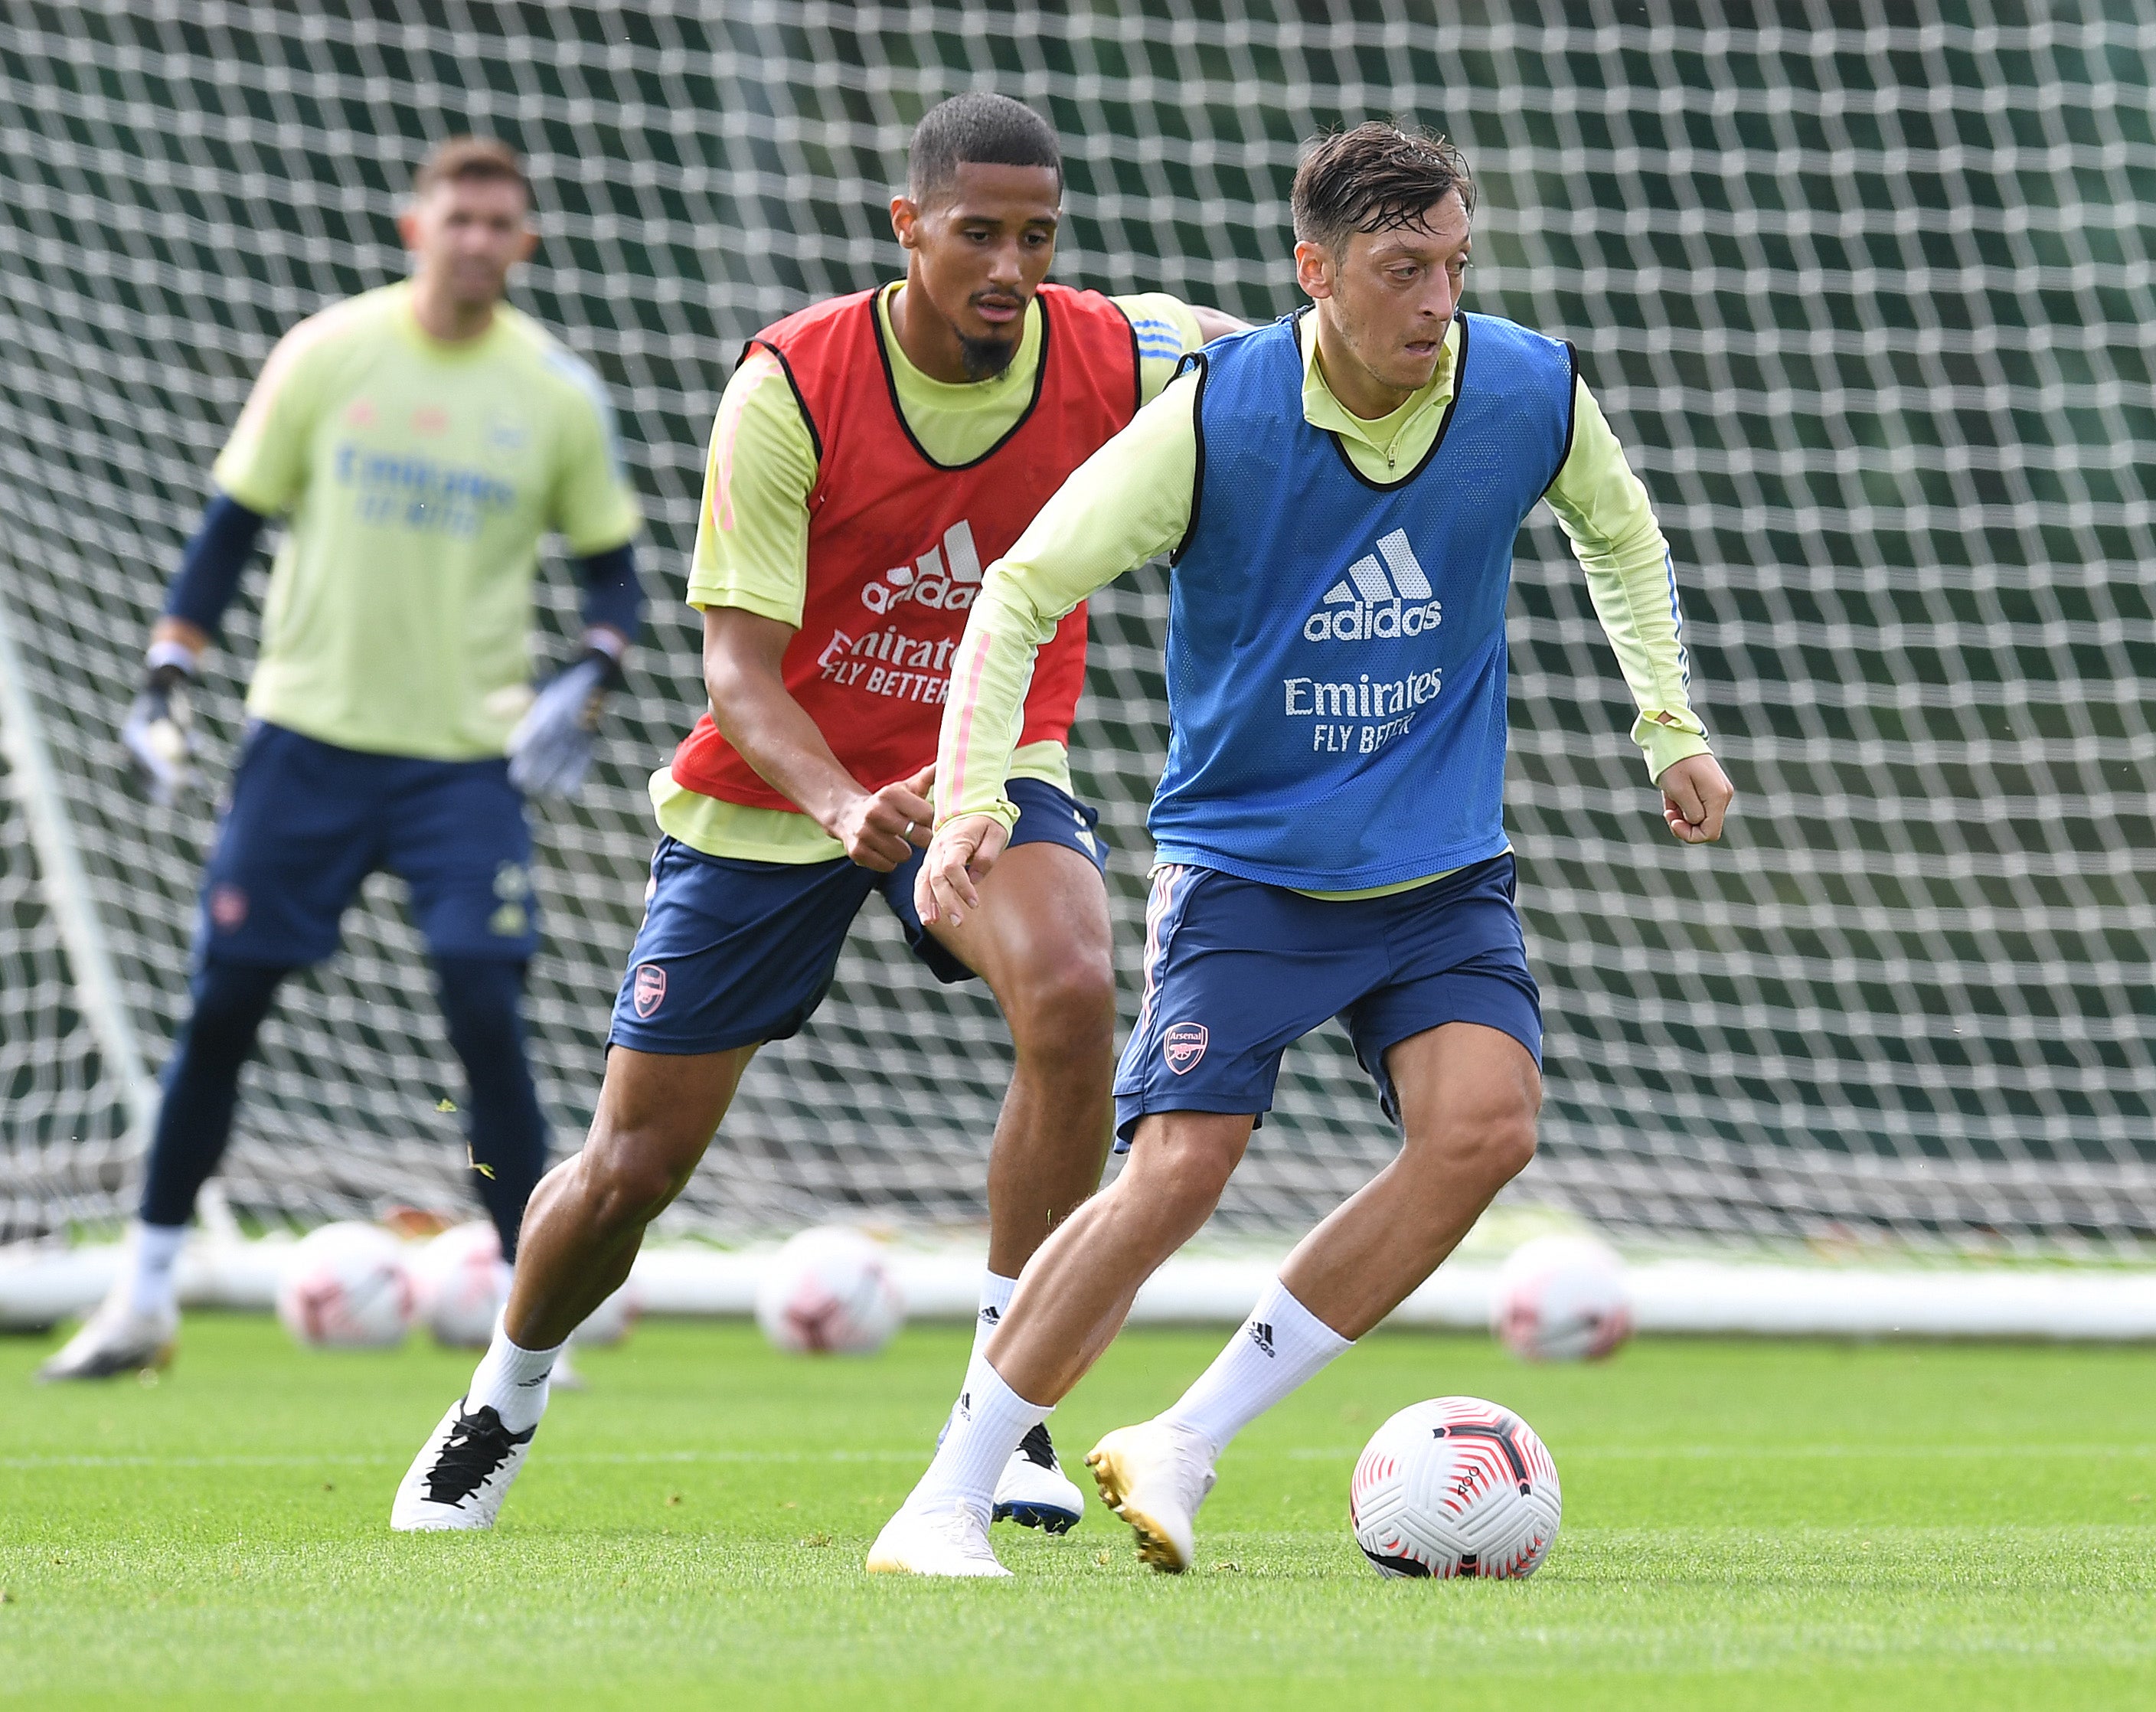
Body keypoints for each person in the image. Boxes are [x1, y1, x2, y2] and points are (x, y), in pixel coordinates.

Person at [867, 121, 1736, 1576]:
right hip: (1250, 872)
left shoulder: (1528, 386)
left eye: (1456, 264)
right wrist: (970, 801)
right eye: (1404, 270)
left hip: (1440, 870)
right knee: (1175, 1173)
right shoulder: (1217, 418)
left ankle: (1185, 1440)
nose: (1438, 301)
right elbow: (1016, 591)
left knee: (1485, 1128)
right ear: (1314, 271)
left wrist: (1671, 721)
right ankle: (944, 1499)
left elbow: (1622, 532)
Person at [391, 93, 1245, 1531]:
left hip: (989, 767)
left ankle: (1007, 1405)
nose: (1010, 268)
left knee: (1080, 994)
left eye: (1038, 236)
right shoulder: (789, 384)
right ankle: (505, 1392)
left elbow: (1293, 358)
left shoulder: (1120, 348)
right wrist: (850, 804)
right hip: (782, 790)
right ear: (905, 226)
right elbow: (735, 673)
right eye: (977, 234)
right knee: (628, 1172)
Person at [39, 137, 643, 1382]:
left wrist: (590, 676)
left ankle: (532, 1314)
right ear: (414, 226)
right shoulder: (326, 355)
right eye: (458, 217)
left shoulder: (557, 396)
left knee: (486, 1004)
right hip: (305, 743)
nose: (478, 239)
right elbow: (227, 535)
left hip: (463, 766)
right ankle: (145, 1296)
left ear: (524, 244)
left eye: (501, 223)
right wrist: (166, 675)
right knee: (223, 1006)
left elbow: (615, 583)